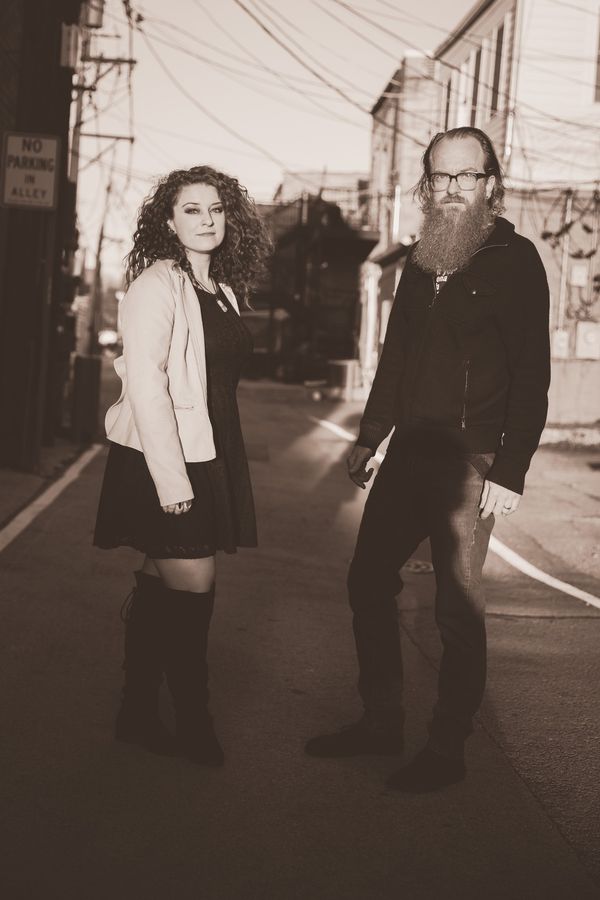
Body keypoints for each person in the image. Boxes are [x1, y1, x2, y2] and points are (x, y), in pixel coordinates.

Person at [305, 127, 551, 792]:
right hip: (409, 449)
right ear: (427, 184)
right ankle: (381, 720)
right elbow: (396, 357)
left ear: (490, 183)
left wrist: (511, 469)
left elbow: (532, 373)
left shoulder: (516, 261)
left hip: (470, 460)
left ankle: (447, 747)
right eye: (441, 177)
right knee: (367, 580)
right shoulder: (419, 260)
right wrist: (370, 435)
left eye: (466, 176)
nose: (452, 189)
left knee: (456, 609)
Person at [94, 165, 271, 766]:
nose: (206, 220)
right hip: (165, 458)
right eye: (191, 209)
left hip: (206, 449)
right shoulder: (157, 285)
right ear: (168, 222)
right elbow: (146, 386)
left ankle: (137, 712)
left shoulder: (219, 289)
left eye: (216, 209)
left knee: (159, 580)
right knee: (195, 588)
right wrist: (172, 481)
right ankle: (195, 724)